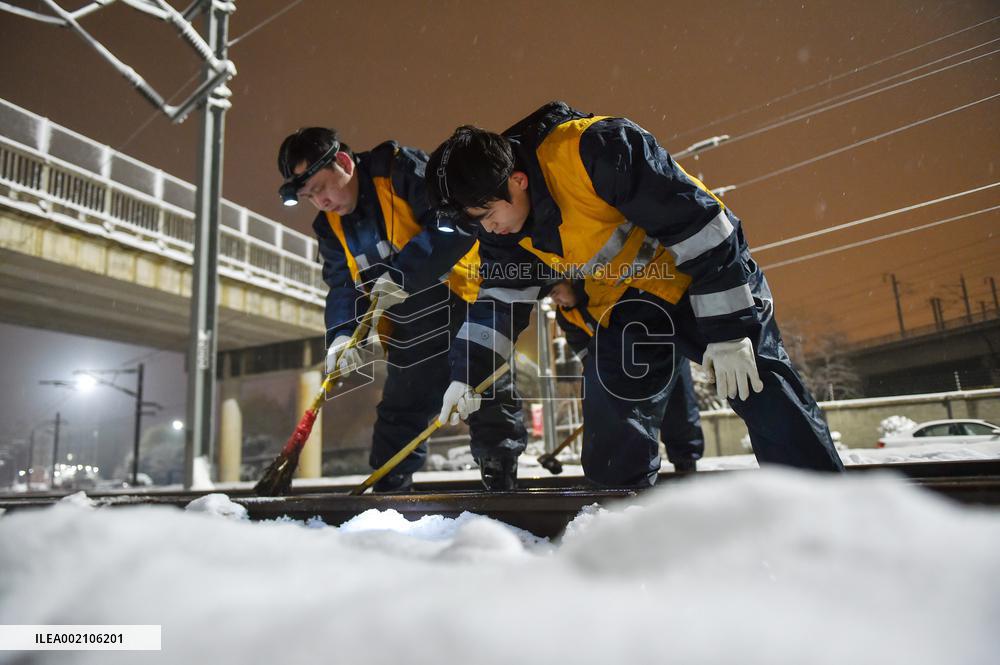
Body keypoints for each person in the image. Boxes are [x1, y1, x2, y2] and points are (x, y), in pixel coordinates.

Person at [425, 101, 844, 488]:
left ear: (516, 181)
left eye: (486, 215)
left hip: (704, 278)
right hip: (634, 306)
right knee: (611, 409)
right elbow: (499, 303)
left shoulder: (594, 149)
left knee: (761, 388)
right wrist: (468, 374)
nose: (487, 229)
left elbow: (702, 229)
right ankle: (622, 519)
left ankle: (823, 507)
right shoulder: (504, 234)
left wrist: (732, 332)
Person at [276, 128, 526, 491]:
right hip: (408, 321)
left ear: (344, 163)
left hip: (461, 299)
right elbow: (343, 285)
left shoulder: (399, 171)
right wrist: (342, 334)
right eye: (310, 197)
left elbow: (451, 224)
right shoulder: (329, 227)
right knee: (401, 409)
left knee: (485, 390)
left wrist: (401, 276)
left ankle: (501, 480)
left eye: (321, 188)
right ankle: (388, 490)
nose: (322, 202)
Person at [549, 281, 705, 473]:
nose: (555, 299)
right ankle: (636, 472)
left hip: (659, 346)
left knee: (679, 402)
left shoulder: (600, 289)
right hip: (622, 365)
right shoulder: (566, 316)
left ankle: (686, 461)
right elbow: (587, 355)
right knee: (628, 417)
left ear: (570, 281)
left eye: (556, 291)